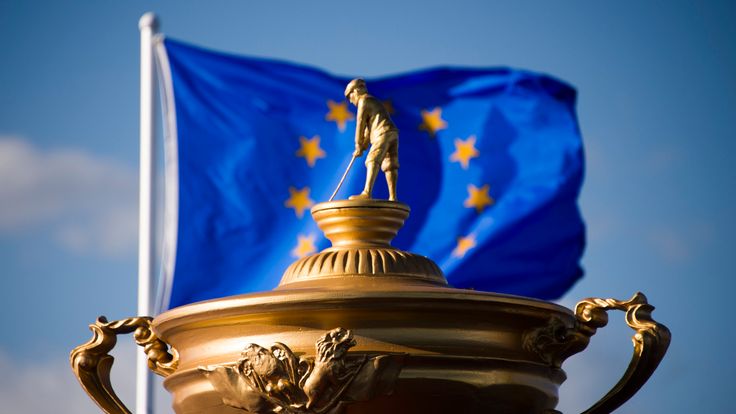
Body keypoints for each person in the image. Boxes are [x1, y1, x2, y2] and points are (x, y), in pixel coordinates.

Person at [344, 78, 399, 201]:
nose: (351, 101)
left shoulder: (363, 101)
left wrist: (358, 144)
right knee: (390, 164)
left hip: (382, 133)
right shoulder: (373, 101)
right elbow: (369, 129)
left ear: (356, 91)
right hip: (391, 132)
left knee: (371, 160)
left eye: (350, 96)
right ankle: (392, 197)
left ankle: (367, 192)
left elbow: (360, 123)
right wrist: (363, 145)